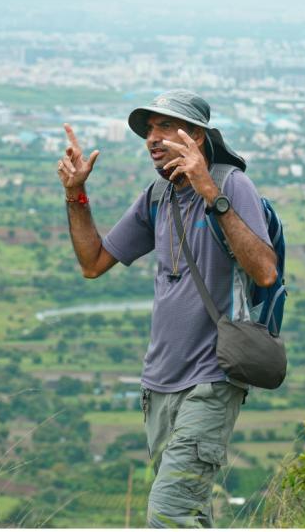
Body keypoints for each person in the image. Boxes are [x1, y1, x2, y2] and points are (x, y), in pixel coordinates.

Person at [57, 89, 277, 528]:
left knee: (169, 513)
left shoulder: (232, 185)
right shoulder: (158, 196)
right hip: (158, 383)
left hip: (211, 379)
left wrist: (209, 190)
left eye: (165, 127)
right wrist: (76, 195)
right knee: (188, 511)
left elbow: (265, 271)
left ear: (196, 136)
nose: (152, 139)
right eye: (149, 130)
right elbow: (93, 263)